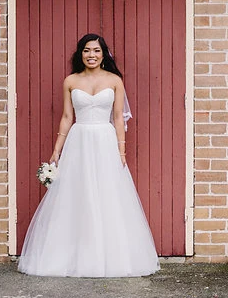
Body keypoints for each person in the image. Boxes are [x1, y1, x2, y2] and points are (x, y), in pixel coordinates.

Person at [17, 34, 160, 277]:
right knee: (76, 195)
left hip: (105, 141)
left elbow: (117, 118)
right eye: (86, 50)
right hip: (79, 140)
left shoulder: (115, 81)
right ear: (80, 54)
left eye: (95, 50)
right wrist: (56, 150)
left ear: (103, 54)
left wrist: (121, 151)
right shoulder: (71, 81)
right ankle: (71, 256)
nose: (91, 55)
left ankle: (108, 257)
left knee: (107, 195)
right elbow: (66, 117)